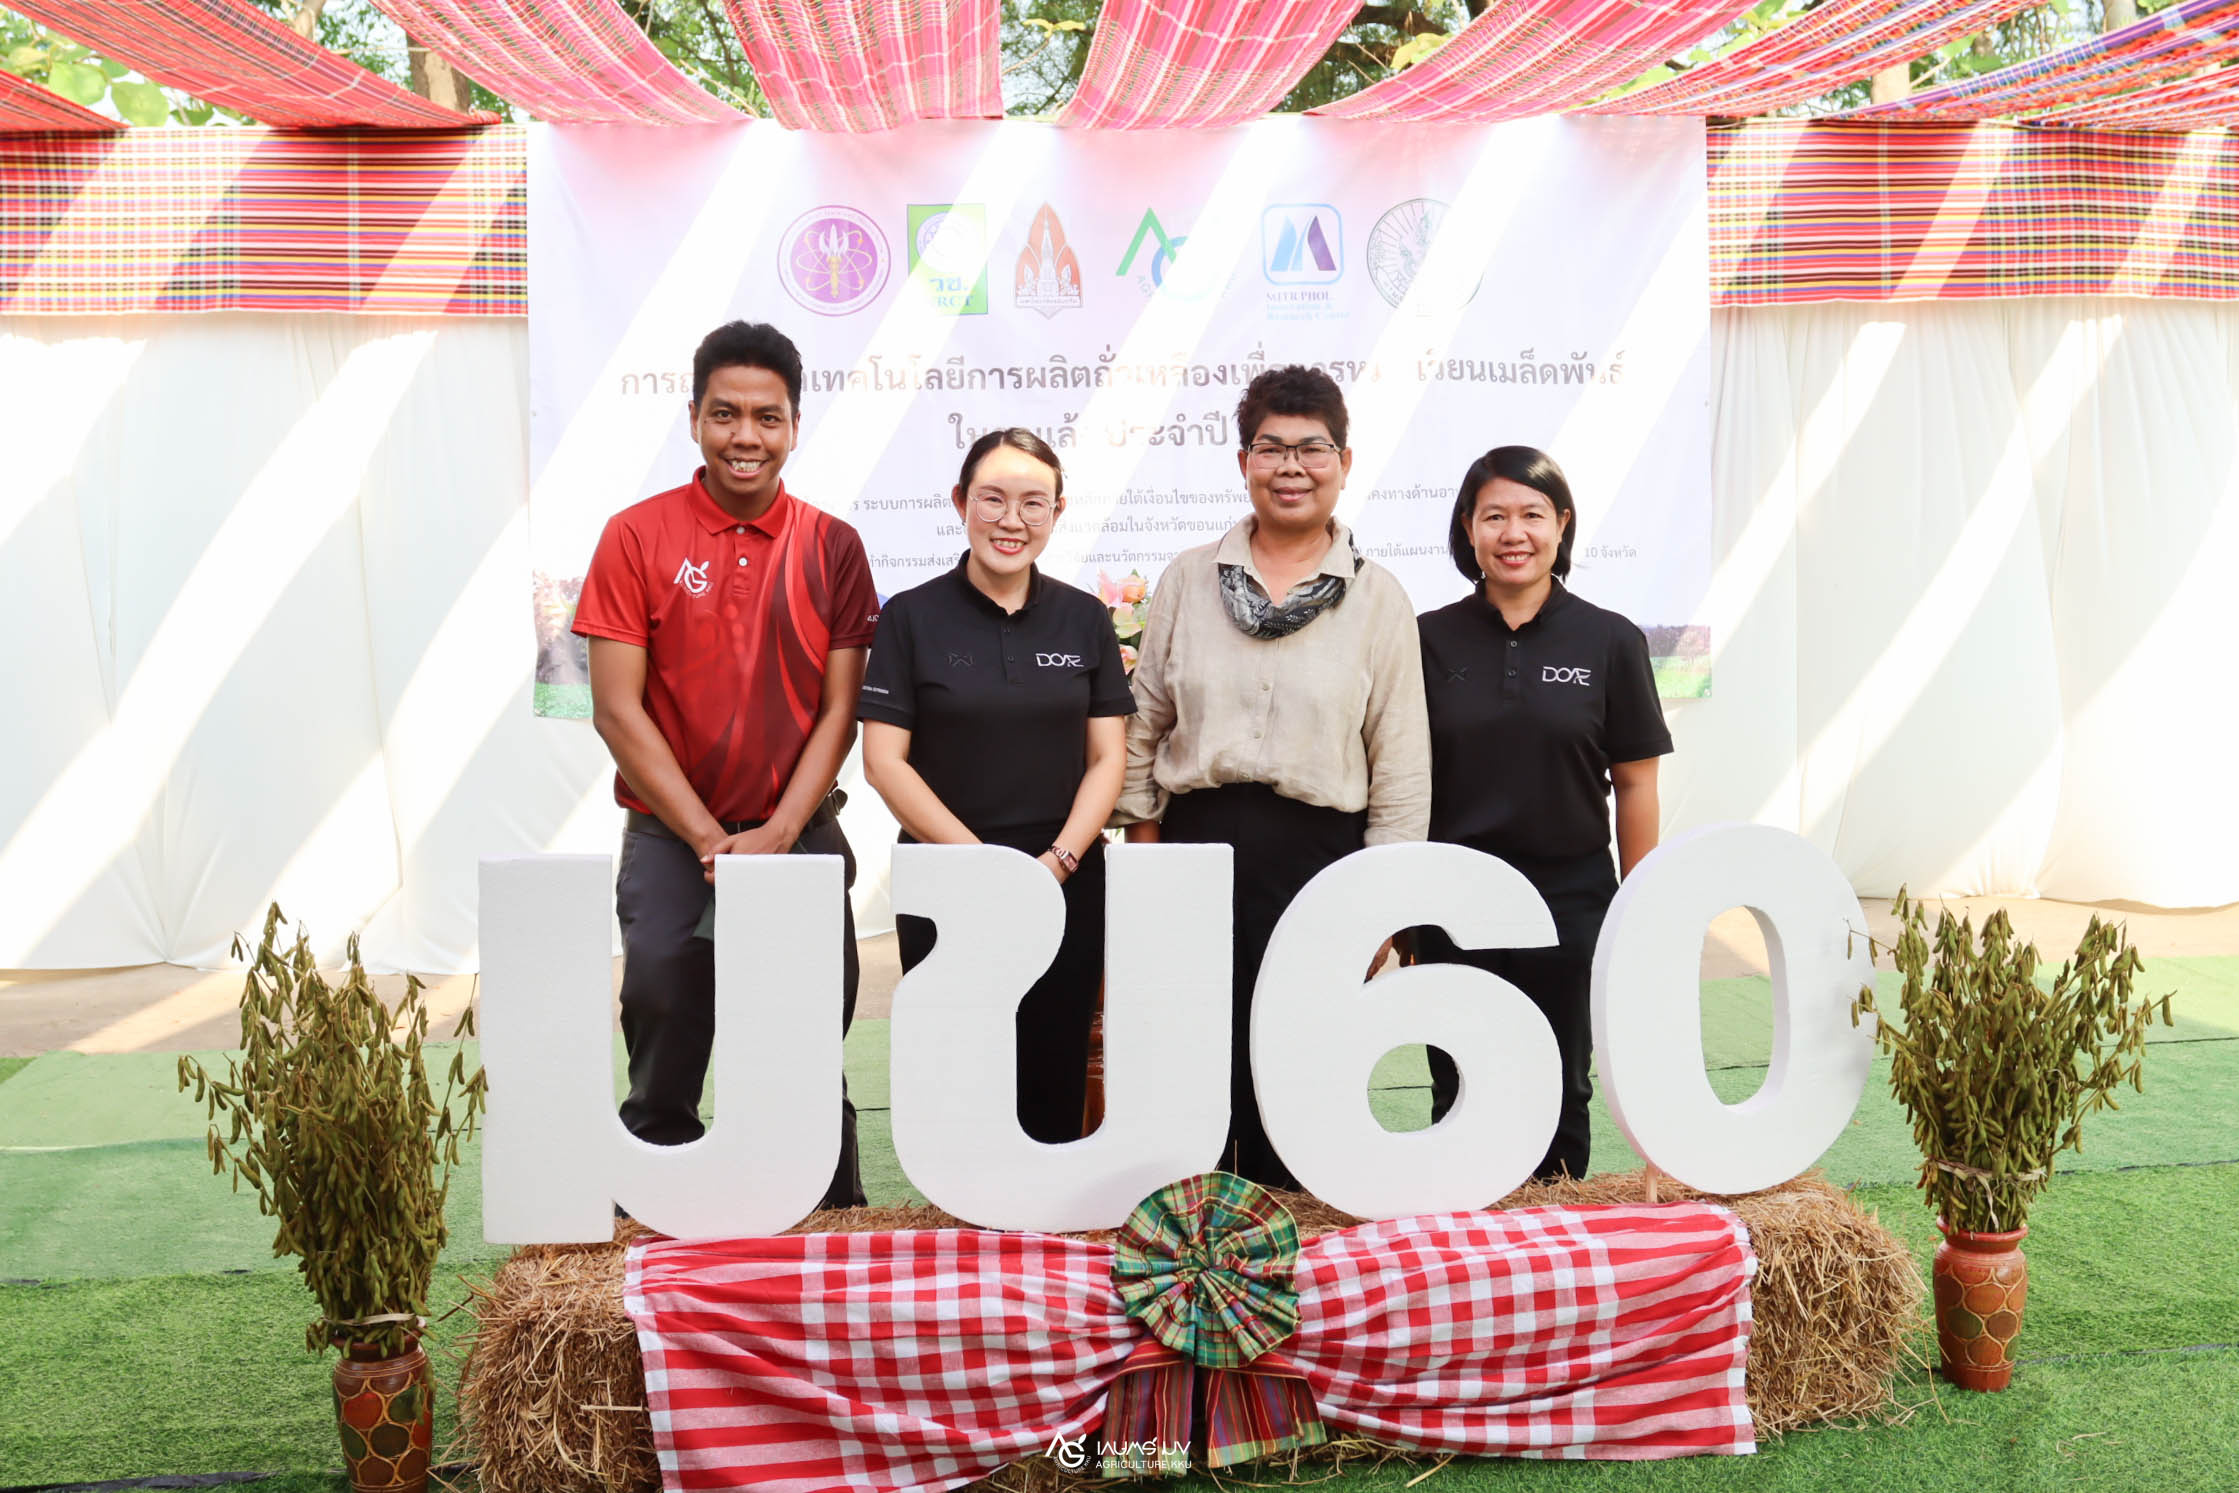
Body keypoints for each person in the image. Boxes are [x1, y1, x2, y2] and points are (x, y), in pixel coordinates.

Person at [572, 319, 880, 1210]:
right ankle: (656, 1213)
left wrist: (779, 831)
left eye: (767, 417)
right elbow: (615, 708)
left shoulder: (831, 545)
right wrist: (708, 838)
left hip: (799, 837)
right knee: (664, 1011)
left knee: (808, 1043)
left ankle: (826, 1213)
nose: (746, 436)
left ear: (794, 426)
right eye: (725, 414)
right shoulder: (635, 536)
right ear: (695, 419)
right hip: (670, 841)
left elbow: (840, 710)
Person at [1113, 365, 1431, 1188]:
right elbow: (1143, 723)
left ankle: (1294, 1224)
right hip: (1194, 845)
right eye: (1271, 448)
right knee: (1193, 1053)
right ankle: (1196, 1222)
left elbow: (1399, 759)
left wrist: (1381, 904)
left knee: (1300, 1058)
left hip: (1318, 857)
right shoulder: (1187, 579)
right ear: (1243, 461)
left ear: (1344, 461)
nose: (1291, 467)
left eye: (1311, 449)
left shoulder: (1378, 598)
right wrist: (1146, 856)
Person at [857, 430, 1134, 1142]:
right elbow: (884, 761)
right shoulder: (910, 616)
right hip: (945, 878)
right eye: (993, 499)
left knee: (1053, 1069)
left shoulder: (1084, 617)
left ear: (1057, 512)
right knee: (957, 1083)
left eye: (1033, 503)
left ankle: (1051, 1211)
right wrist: (981, 867)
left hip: (1064, 877)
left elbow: (1108, 757)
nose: (1012, 520)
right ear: (960, 502)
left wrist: (1058, 861)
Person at [1411, 445, 1672, 1183]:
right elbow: (1400, 777)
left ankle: (1553, 1237)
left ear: (1562, 524)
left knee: (1560, 1083)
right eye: (1493, 516)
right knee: (1457, 1083)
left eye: (1531, 514)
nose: (1513, 533)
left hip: (1568, 898)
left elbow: (1635, 784)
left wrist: (1638, 905)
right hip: (1452, 899)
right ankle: (1458, 1228)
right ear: (1467, 529)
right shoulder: (1425, 638)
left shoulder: (1610, 639)